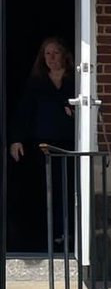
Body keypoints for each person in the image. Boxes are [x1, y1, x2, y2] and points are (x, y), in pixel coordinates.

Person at [8, 36, 76, 247]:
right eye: (47, 53)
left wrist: (76, 112)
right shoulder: (37, 81)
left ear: (65, 54)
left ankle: (69, 233)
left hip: (70, 143)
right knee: (48, 189)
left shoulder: (76, 80)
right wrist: (16, 139)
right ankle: (52, 234)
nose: (52, 57)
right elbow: (24, 112)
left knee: (69, 188)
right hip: (43, 144)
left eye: (56, 52)